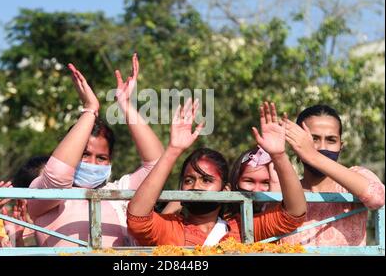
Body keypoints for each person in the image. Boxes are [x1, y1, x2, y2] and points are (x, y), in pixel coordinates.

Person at [27, 53, 164, 247]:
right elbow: (57, 177)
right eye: (84, 154)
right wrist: (90, 110)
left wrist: (125, 105)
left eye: (101, 158)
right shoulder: (44, 194)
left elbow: (157, 165)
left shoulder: (119, 193)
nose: (92, 163)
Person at [127, 101, 306, 246]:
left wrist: (279, 155)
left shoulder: (243, 227)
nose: (196, 186)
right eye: (189, 180)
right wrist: (173, 150)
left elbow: (294, 214)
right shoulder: (170, 227)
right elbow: (137, 219)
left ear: (225, 189)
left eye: (206, 180)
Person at [280, 104, 385, 246]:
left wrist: (313, 156)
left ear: (340, 146)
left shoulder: (356, 178)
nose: (322, 147)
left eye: (331, 140)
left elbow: (378, 197)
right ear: (296, 144)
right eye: (313, 139)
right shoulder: (285, 190)